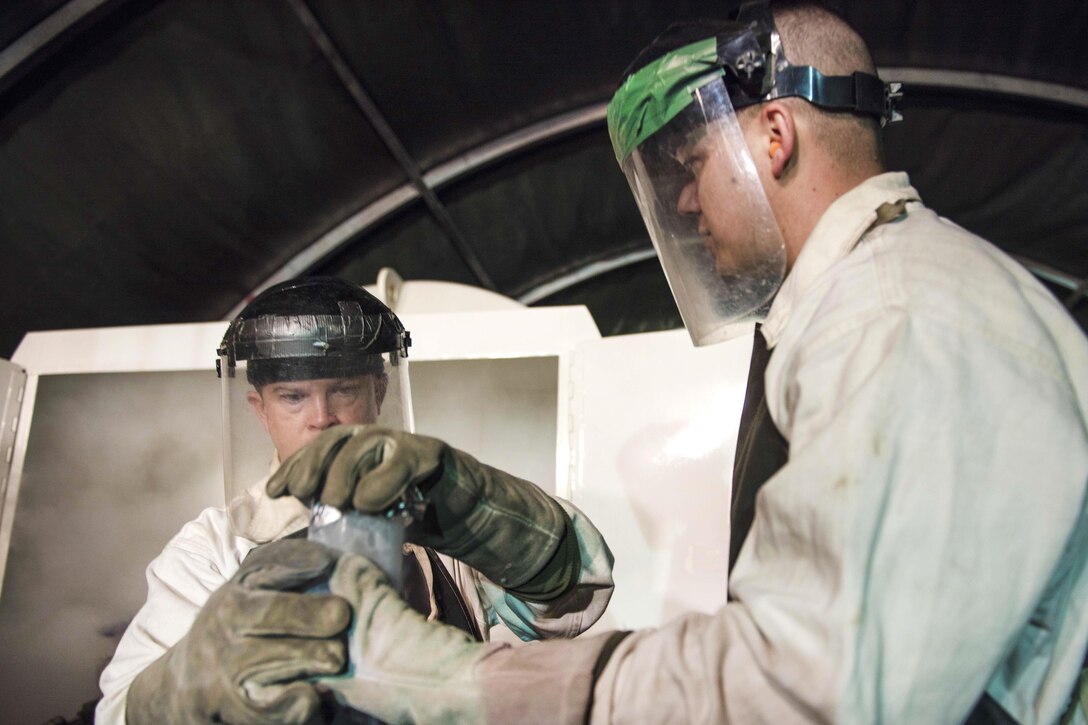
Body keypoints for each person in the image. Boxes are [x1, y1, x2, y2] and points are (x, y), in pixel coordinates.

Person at [261, 2, 1088, 723]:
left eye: (691, 166)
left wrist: (439, 679)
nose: (685, 201)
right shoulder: (882, 297)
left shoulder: (892, 318)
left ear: (774, 134)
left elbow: (804, 693)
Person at [95, 277, 615, 724]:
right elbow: (117, 711)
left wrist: (488, 518)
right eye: (293, 397)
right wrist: (193, 676)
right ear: (259, 409)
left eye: (341, 389)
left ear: (378, 392)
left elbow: (572, 601)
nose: (321, 418)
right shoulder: (212, 550)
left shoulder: (443, 515)